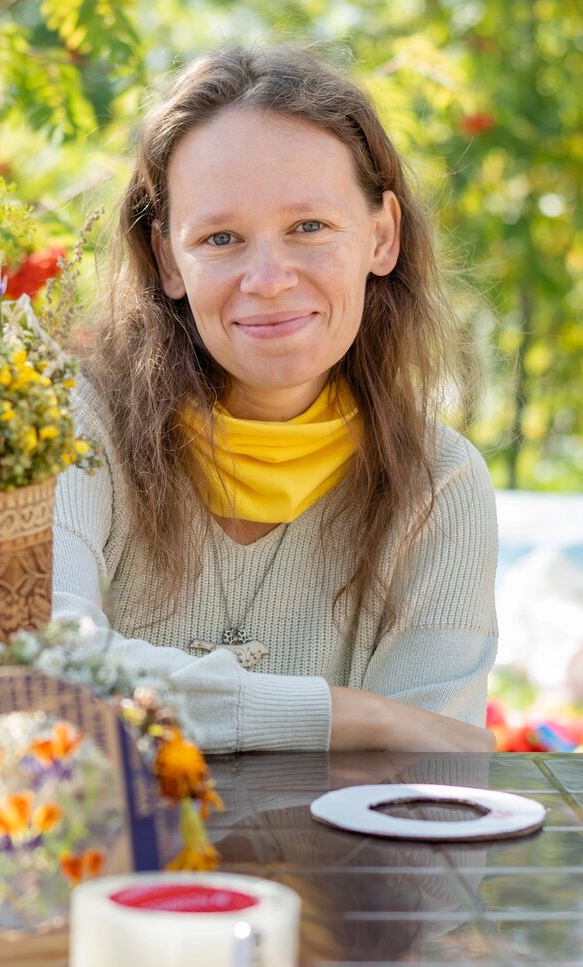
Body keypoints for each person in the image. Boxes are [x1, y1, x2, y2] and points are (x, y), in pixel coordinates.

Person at [53, 44, 498, 754]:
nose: (268, 277)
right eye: (221, 237)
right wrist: (351, 717)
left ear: (381, 235)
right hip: (103, 861)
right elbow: (51, 667)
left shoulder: (442, 485)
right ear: (169, 259)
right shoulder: (73, 426)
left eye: (309, 227)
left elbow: (429, 786)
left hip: (335, 871)